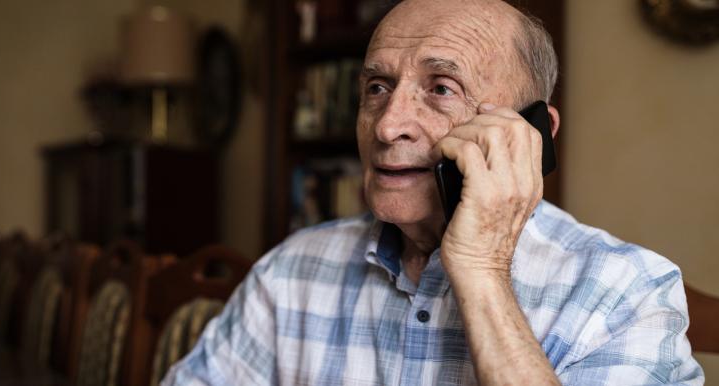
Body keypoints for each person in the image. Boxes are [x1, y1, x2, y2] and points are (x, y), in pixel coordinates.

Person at [163, 0, 704, 384]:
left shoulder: (628, 293)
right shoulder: (291, 272)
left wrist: (481, 267)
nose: (387, 125)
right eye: (377, 87)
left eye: (441, 88)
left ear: (534, 138)